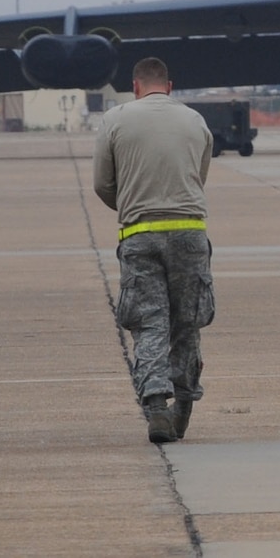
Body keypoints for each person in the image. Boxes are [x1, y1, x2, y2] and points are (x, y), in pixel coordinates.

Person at [93, 57, 217, 443]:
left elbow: (102, 183)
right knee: (187, 323)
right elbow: (199, 177)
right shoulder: (195, 121)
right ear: (170, 85)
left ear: (135, 87)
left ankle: (155, 407)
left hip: (140, 233)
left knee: (149, 323)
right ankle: (183, 404)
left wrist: (133, 205)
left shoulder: (115, 120)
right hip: (189, 233)